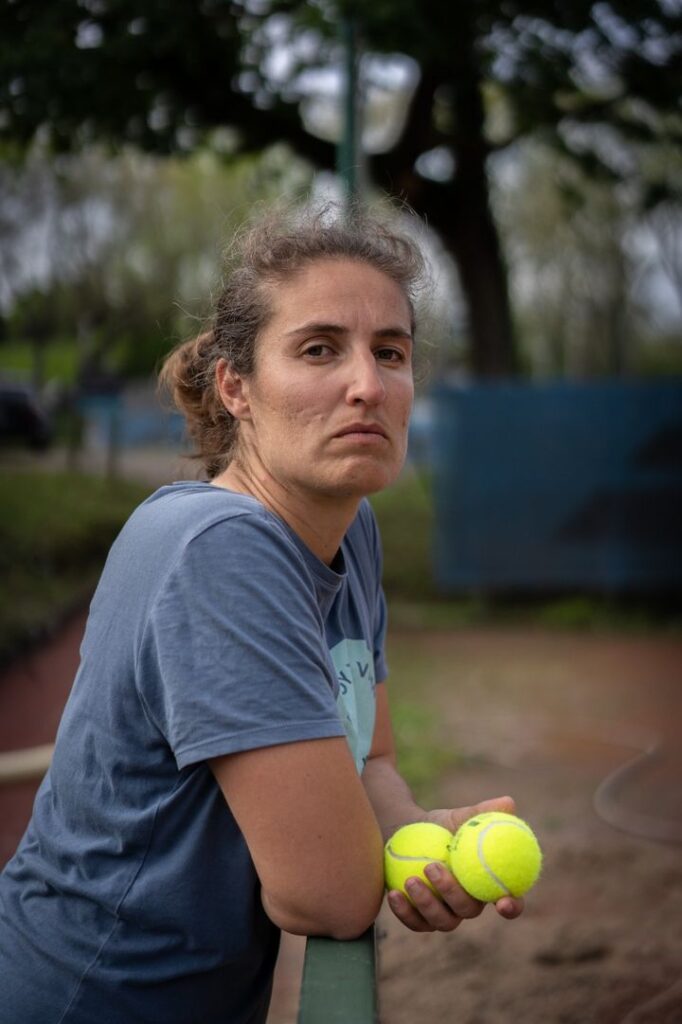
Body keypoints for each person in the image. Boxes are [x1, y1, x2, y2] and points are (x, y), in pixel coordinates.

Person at [0, 205, 523, 1023]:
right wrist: (368, 859)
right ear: (235, 388)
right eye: (320, 349)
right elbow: (329, 896)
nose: (367, 384)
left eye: (391, 352)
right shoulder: (218, 551)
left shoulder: (353, 527)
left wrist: (415, 836)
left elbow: (373, 757)